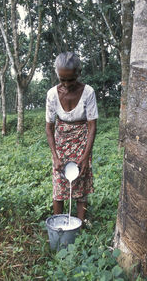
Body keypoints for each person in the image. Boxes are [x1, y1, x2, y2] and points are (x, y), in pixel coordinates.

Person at [45, 52, 98, 222]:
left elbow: (92, 126)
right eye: (62, 79)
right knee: (59, 183)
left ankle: (80, 226)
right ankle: (58, 224)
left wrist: (85, 156)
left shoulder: (88, 92)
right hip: (60, 142)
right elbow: (49, 127)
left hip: (82, 141)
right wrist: (55, 156)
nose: (66, 84)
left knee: (80, 181)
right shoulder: (52, 95)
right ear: (57, 75)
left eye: (71, 79)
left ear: (78, 74)